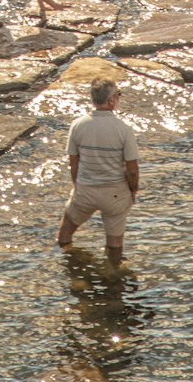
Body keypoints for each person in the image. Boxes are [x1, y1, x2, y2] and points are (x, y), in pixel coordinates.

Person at [56, 76, 140, 267]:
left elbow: (73, 163)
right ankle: (113, 276)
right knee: (115, 243)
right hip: (116, 194)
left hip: (85, 190)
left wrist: (77, 187)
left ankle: (71, 265)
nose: (118, 99)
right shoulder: (124, 129)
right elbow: (132, 170)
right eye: (118, 95)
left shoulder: (77, 125)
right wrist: (133, 190)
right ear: (111, 101)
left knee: (65, 232)